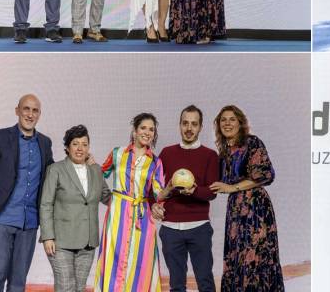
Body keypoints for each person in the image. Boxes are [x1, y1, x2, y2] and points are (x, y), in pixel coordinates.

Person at [0, 94, 54, 291]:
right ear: (17, 111)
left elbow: (53, 176)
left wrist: (85, 162)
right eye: (26, 109)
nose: (30, 114)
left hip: (29, 223)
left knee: (18, 282)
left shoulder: (44, 143)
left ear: (39, 115)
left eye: (35, 110)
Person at [94, 113, 172, 291]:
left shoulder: (155, 162)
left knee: (140, 261)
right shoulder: (117, 153)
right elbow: (100, 174)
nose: (147, 132)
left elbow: (158, 193)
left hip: (142, 216)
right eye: (143, 128)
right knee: (113, 257)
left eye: (151, 129)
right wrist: (91, 165)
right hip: (117, 215)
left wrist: (171, 187)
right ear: (135, 131)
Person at [209, 105, 284, 291]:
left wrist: (232, 187)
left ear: (240, 123)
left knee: (255, 258)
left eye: (232, 119)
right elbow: (216, 182)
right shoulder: (224, 151)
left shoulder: (252, 143)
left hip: (255, 210)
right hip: (235, 211)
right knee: (237, 257)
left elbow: (265, 175)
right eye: (223, 120)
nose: (227, 123)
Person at [154, 105, 219, 292]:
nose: (189, 128)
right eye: (185, 123)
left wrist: (195, 191)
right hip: (170, 229)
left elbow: (212, 192)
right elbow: (154, 187)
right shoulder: (166, 153)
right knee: (176, 285)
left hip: (199, 227)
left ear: (200, 127)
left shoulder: (209, 155)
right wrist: (160, 198)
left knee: (205, 281)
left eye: (194, 124)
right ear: (179, 125)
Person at [39, 125, 111, 291]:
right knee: (66, 286)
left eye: (85, 144)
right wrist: (48, 236)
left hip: (87, 241)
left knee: (79, 288)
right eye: (75, 144)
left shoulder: (96, 170)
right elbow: (46, 204)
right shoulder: (56, 169)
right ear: (67, 147)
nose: (80, 148)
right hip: (60, 241)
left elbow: (107, 197)